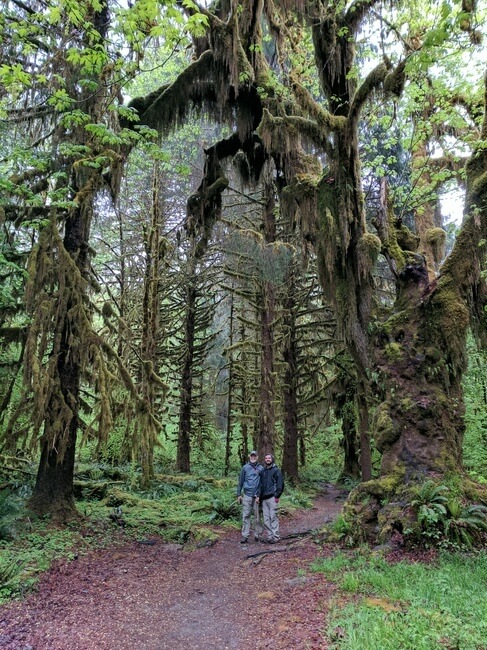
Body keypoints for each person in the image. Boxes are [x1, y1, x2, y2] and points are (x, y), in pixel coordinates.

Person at [236, 450, 264, 544]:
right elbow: (241, 481)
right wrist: (239, 494)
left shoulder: (261, 468)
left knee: (257, 517)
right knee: (246, 515)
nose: (253, 457)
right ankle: (245, 536)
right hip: (247, 495)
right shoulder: (245, 468)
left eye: (254, 456)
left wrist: (259, 495)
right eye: (252, 456)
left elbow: (262, 483)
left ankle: (257, 535)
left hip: (257, 496)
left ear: (257, 457)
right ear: (249, 457)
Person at [260, 453, 284, 544]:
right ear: (265, 460)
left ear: (272, 459)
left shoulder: (276, 470)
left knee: (273, 517)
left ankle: (276, 536)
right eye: (266, 458)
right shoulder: (263, 471)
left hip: (272, 498)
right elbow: (261, 485)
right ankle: (270, 536)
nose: (267, 459)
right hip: (264, 498)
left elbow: (280, 484)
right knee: (266, 519)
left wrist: (277, 495)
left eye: (269, 458)